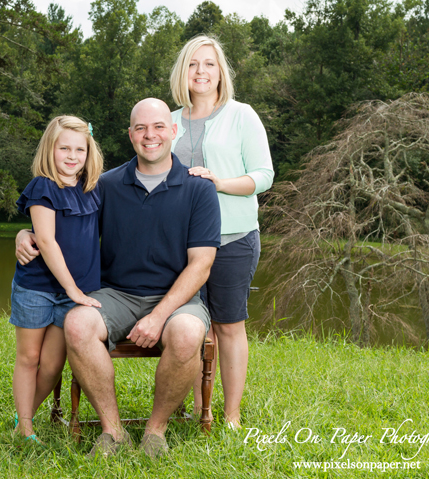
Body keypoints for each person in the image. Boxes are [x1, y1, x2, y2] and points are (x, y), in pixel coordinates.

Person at [16, 99, 221, 458]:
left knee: (189, 333)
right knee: (77, 324)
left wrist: (158, 316)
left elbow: (201, 266)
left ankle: (155, 432)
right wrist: (23, 233)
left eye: (158, 126)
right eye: (140, 128)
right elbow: (61, 220)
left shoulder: (198, 188)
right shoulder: (105, 184)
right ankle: (113, 432)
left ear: (173, 132)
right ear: (130, 135)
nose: (150, 135)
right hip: (115, 294)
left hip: (178, 300)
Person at [168, 35, 275, 429]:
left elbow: (264, 176)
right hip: (182, 245)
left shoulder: (242, 115)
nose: (201, 72)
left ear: (221, 72)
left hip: (234, 237)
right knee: (194, 326)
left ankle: (230, 415)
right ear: (184, 71)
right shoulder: (171, 120)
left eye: (209, 64)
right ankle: (200, 407)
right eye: (194, 64)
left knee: (228, 325)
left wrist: (219, 182)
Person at [9, 115, 103, 444]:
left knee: (51, 365)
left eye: (80, 148)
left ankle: (24, 418)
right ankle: (25, 428)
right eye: (64, 147)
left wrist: (77, 291)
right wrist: (72, 289)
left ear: (89, 152)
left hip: (74, 294)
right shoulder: (43, 186)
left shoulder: (93, 190)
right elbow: (46, 241)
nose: (72, 155)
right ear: (50, 149)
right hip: (37, 288)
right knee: (29, 357)